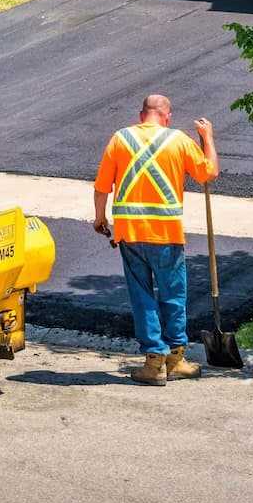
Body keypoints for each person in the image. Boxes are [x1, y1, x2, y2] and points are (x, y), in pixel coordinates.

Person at [93, 93, 218, 386]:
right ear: (167, 117)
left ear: (141, 116)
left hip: (130, 233)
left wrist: (100, 219)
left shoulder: (120, 139)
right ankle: (175, 359)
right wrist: (208, 137)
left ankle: (154, 362)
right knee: (173, 295)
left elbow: (102, 187)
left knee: (142, 296)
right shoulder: (179, 141)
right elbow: (208, 173)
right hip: (167, 234)